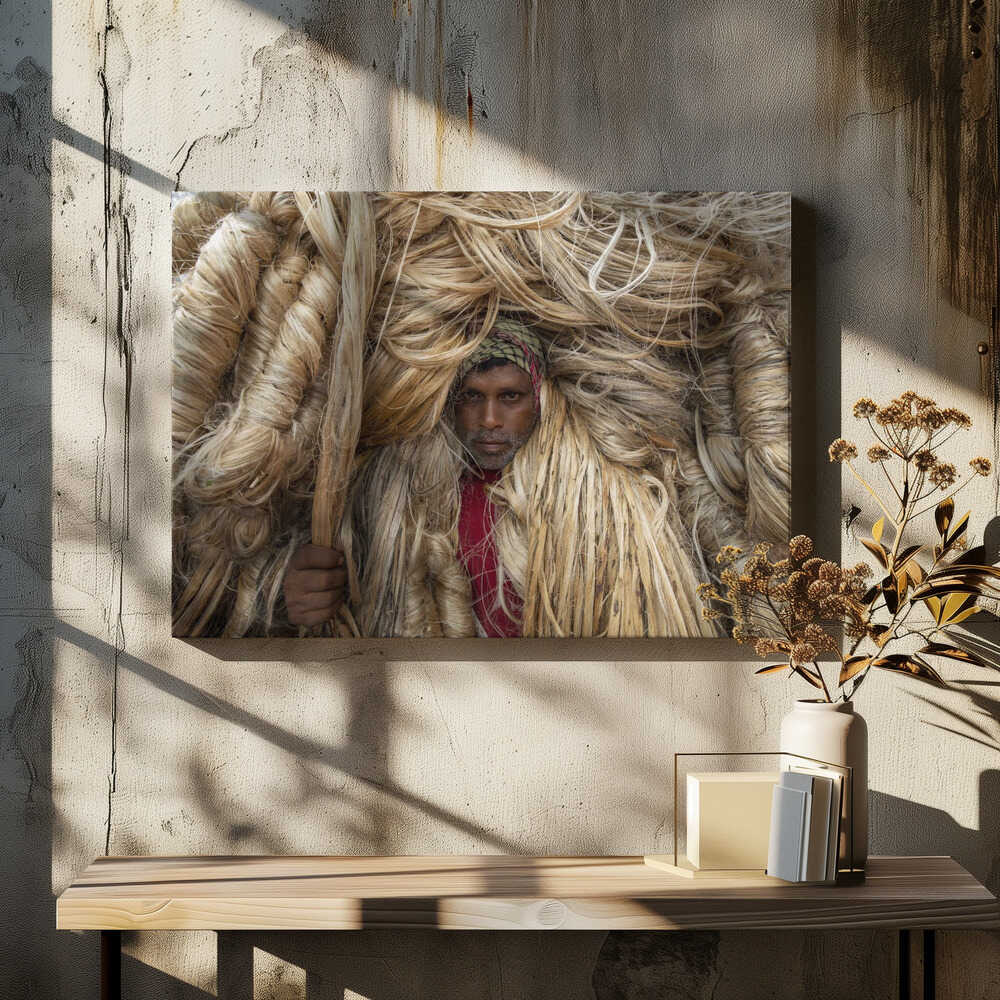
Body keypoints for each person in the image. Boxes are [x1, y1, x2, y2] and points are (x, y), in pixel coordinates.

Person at [282, 319, 546, 636]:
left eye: (510, 397)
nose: (489, 420)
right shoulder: (403, 496)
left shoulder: (565, 498)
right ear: (450, 403)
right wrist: (300, 597)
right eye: (472, 396)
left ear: (540, 401)